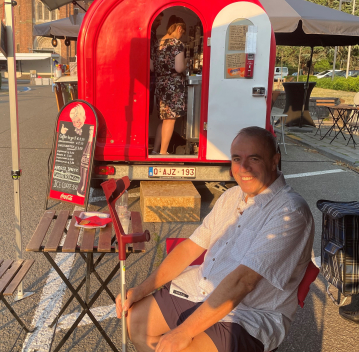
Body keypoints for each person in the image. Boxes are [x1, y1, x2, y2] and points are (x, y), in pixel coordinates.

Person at [116, 126, 315, 352]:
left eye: (254, 158)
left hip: (249, 313)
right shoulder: (231, 196)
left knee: (183, 347)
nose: (243, 167)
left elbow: (244, 281)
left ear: (274, 160)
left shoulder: (290, 212)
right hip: (201, 290)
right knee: (135, 321)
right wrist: (140, 290)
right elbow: (191, 247)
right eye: (237, 159)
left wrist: (185, 331)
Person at [151, 16, 187, 155]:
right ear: (179, 28)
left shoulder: (157, 43)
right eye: (182, 32)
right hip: (173, 84)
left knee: (164, 118)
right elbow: (178, 68)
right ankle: (163, 151)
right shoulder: (177, 44)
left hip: (160, 83)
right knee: (170, 119)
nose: (181, 34)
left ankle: (155, 150)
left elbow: (152, 67)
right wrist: (186, 63)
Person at [150, 12, 164, 116]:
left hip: (152, 75)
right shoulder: (149, 34)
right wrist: (153, 67)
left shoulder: (153, 33)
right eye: (158, 21)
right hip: (149, 75)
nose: (159, 23)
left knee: (149, 107)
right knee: (147, 107)